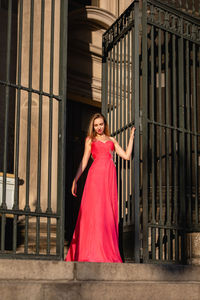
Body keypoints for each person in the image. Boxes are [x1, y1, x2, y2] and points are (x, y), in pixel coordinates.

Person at [65, 113, 136, 263]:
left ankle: (106, 250)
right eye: (96, 125)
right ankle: (92, 250)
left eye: (101, 124)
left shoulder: (112, 140)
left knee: (106, 213)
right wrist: (75, 180)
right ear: (93, 126)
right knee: (94, 212)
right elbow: (84, 161)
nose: (98, 127)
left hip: (109, 179)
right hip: (95, 177)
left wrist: (131, 137)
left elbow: (126, 156)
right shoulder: (90, 140)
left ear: (105, 124)